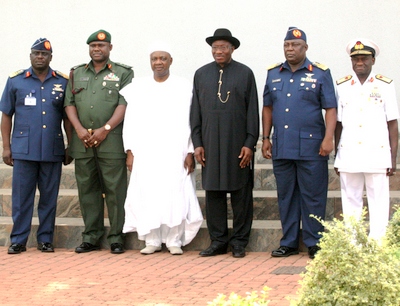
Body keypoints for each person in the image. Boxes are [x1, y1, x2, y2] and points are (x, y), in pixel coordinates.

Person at [120, 42, 203, 255]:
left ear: (170, 61)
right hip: (146, 151)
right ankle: (152, 240)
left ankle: (174, 240)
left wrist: (190, 151)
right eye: (154, 59)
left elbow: (192, 120)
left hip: (175, 151)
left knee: (174, 193)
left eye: (163, 58)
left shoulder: (184, 86)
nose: (158, 62)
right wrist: (129, 151)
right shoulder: (139, 87)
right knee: (148, 193)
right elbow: (130, 121)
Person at [262, 27, 337, 259]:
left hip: (312, 147)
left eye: (295, 45)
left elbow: (331, 108)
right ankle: (290, 242)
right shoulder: (274, 73)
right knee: (287, 195)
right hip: (282, 146)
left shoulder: (320, 73)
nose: (290, 49)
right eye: (286, 45)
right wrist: (265, 137)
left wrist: (328, 138)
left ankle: (315, 242)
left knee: (313, 195)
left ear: (305, 47)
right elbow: (267, 107)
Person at [190, 28, 259, 258]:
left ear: (232, 49)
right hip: (209, 144)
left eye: (223, 47)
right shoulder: (201, 74)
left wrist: (250, 143)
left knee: (241, 195)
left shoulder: (245, 73)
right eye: (215, 47)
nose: (218, 51)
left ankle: (239, 242)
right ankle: (218, 241)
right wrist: (197, 142)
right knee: (214, 195)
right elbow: (195, 112)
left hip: (237, 143)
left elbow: (252, 112)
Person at [64, 29, 133, 254]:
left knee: (115, 190)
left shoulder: (123, 73)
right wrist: (79, 129)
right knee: (87, 190)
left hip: (111, 141)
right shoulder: (76, 73)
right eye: (93, 45)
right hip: (82, 141)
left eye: (101, 46)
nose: (97, 49)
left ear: (110, 48)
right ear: (89, 48)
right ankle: (91, 237)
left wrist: (105, 129)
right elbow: (69, 103)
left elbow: (124, 104)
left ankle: (116, 237)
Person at [1, 38, 72, 254]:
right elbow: (6, 116)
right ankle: (18, 240)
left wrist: (70, 146)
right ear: (30, 56)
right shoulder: (16, 81)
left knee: (49, 197)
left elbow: (68, 117)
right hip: (23, 150)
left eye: (44, 54)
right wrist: (6, 147)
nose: (40, 57)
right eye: (36, 53)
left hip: (52, 149)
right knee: (22, 198)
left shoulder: (62, 81)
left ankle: (45, 239)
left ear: (51, 57)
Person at [334, 39, 399, 241]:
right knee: (350, 199)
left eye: (364, 59)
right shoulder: (342, 85)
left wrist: (393, 158)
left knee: (378, 201)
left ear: (373, 60)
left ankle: (377, 244)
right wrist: (337, 155)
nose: (359, 62)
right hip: (349, 152)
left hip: (377, 153)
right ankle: (353, 243)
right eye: (355, 59)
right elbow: (337, 123)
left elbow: (393, 124)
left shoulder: (385, 85)